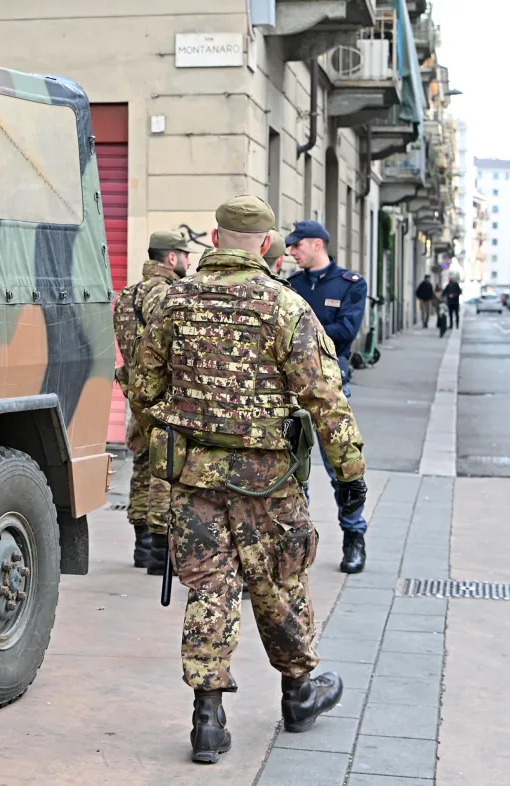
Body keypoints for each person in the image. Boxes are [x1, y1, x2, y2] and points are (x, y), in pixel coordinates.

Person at [132, 196, 367, 764]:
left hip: (194, 477)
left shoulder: (172, 305)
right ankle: (298, 694)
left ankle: (207, 719)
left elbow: (142, 388)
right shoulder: (287, 308)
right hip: (270, 481)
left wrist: (174, 428)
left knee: (210, 587)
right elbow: (324, 397)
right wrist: (350, 472)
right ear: (265, 245)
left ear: (214, 240)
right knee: (279, 582)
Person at [285, 220, 369, 574]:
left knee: (342, 470)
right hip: (291, 391)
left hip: (332, 388)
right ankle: (296, 545)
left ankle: (354, 538)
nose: (291, 252)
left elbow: (347, 331)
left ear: (317, 244)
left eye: (297, 246)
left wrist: (301, 329)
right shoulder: (292, 284)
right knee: (291, 473)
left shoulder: (350, 284)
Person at [113, 229, 191, 573]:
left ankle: (142, 546)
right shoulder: (169, 294)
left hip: (136, 395)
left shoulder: (128, 295)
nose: (188, 261)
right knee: (164, 468)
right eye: (185, 255)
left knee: (143, 467)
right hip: (163, 396)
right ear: (171, 258)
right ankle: (160, 552)